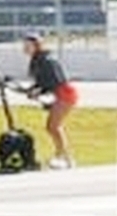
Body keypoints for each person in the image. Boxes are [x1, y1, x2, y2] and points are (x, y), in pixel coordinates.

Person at [21, 32, 79, 169]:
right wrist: (33, 90)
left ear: (36, 46)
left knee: (53, 127)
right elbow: (41, 82)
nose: (25, 48)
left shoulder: (46, 60)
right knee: (53, 127)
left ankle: (62, 157)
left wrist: (38, 91)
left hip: (65, 94)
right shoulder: (38, 59)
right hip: (61, 94)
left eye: (28, 45)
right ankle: (65, 158)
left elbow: (54, 81)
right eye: (24, 45)